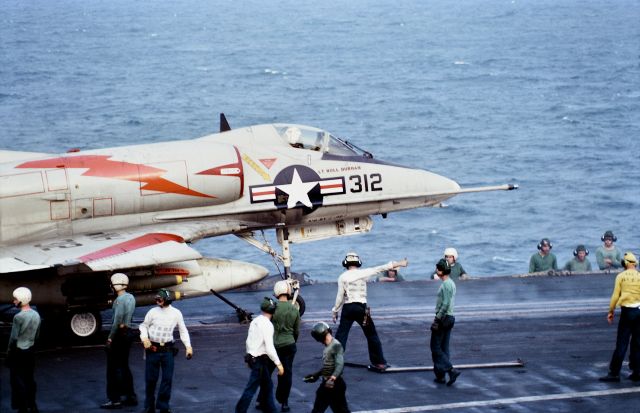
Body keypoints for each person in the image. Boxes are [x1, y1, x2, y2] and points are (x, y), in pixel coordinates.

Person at [331, 252, 408, 370]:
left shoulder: (342, 277)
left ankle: (335, 361)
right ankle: (379, 362)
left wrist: (335, 311)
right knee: (371, 335)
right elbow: (381, 268)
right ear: (358, 263)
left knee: (342, 335)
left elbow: (340, 297)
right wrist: (400, 263)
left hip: (348, 309)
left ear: (346, 264)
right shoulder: (364, 273)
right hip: (362, 308)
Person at [139, 289, 193, 413]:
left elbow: (183, 330)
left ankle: (163, 406)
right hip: (152, 349)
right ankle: (149, 407)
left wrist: (188, 346)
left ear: (167, 299)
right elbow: (143, 326)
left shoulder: (176, 313)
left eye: (160, 299)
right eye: (157, 299)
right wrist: (144, 338)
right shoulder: (152, 312)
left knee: (167, 379)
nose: (157, 301)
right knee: (151, 380)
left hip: (168, 350)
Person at [257, 281, 300, 412]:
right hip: (289, 345)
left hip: (273, 346)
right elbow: (296, 330)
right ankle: (284, 402)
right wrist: (292, 341)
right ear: (288, 292)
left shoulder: (273, 308)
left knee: (266, 373)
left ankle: (262, 400)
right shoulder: (294, 309)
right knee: (286, 374)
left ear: (276, 292)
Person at [236, 297, 285, 413]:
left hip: (253, 358)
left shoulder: (255, 321)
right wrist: (279, 364)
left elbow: (248, 341)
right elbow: (269, 347)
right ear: (273, 311)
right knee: (251, 389)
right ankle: (240, 410)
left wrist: (249, 357)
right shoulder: (268, 325)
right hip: (260, 361)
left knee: (267, 386)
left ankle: (270, 409)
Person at [599, 252, 640, 382]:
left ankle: (614, 373)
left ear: (625, 263)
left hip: (627, 312)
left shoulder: (621, 276)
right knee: (638, 343)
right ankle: (637, 371)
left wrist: (611, 311)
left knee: (622, 343)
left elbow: (615, 296)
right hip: (639, 311)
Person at [100, 273, 137, 410]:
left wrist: (110, 338)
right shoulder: (131, 297)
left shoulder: (119, 300)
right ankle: (130, 396)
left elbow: (116, 322)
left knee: (113, 369)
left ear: (116, 284)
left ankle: (114, 399)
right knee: (124, 366)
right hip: (128, 334)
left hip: (119, 336)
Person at [7, 287, 41, 413]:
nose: (14, 301)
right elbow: (37, 335)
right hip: (30, 351)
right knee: (30, 379)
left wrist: (8, 352)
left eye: (15, 299)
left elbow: (13, 338)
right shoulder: (36, 315)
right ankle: (32, 404)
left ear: (21, 300)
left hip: (18, 352)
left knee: (17, 381)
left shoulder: (18, 317)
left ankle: (22, 407)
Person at [304, 322, 350, 413]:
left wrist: (332, 378)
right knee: (340, 410)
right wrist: (316, 375)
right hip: (334, 384)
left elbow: (340, 364)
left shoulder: (335, 345)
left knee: (319, 409)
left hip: (333, 384)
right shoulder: (329, 346)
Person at [430, 259, 461, 386]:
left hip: (444, 318)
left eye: (438, 268)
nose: (436, 270)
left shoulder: (446, 284)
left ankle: (450, 370)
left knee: (435, 346)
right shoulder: (450, 283)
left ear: (442, 270)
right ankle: (441, 375)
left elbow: (446, 303)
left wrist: (437, 318)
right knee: (444, 347)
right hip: (449, 318)